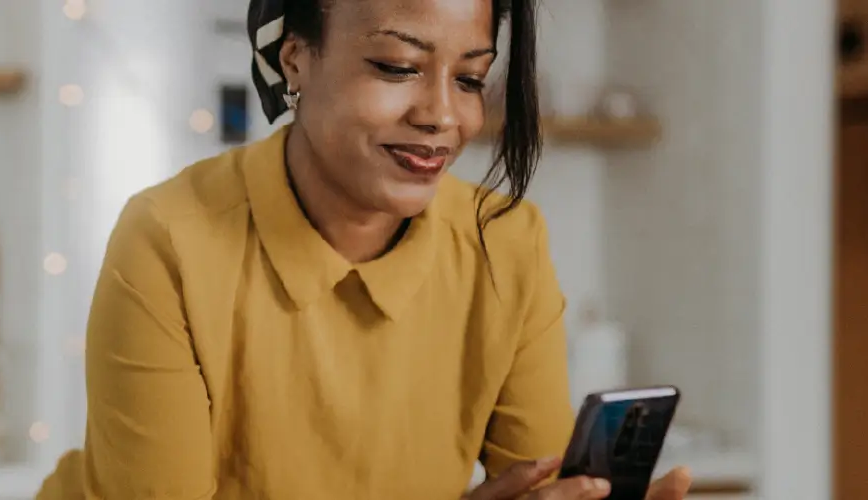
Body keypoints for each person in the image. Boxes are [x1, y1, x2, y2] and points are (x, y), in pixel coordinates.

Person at [36, 0, 693, 498]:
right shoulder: (169, 237)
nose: (442, 115)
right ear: (295, 58)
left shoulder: (507, 244)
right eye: (397, 67)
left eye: (469, 79)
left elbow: (534, 482)